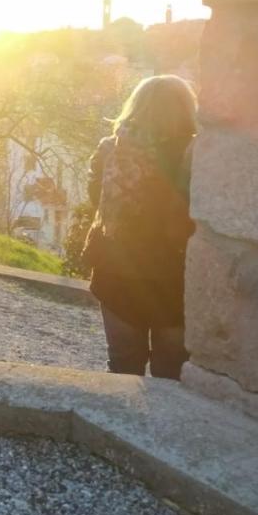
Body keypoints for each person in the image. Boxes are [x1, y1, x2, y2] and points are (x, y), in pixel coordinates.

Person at [82, 75, 197, 380]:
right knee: (171, 374)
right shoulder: (197, 155)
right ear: (187, 109)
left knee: (122, 367)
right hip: (175, 278)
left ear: (136, 106)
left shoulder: (110, 150)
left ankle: (116, 425)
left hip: (115, 272)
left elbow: (97, 202)